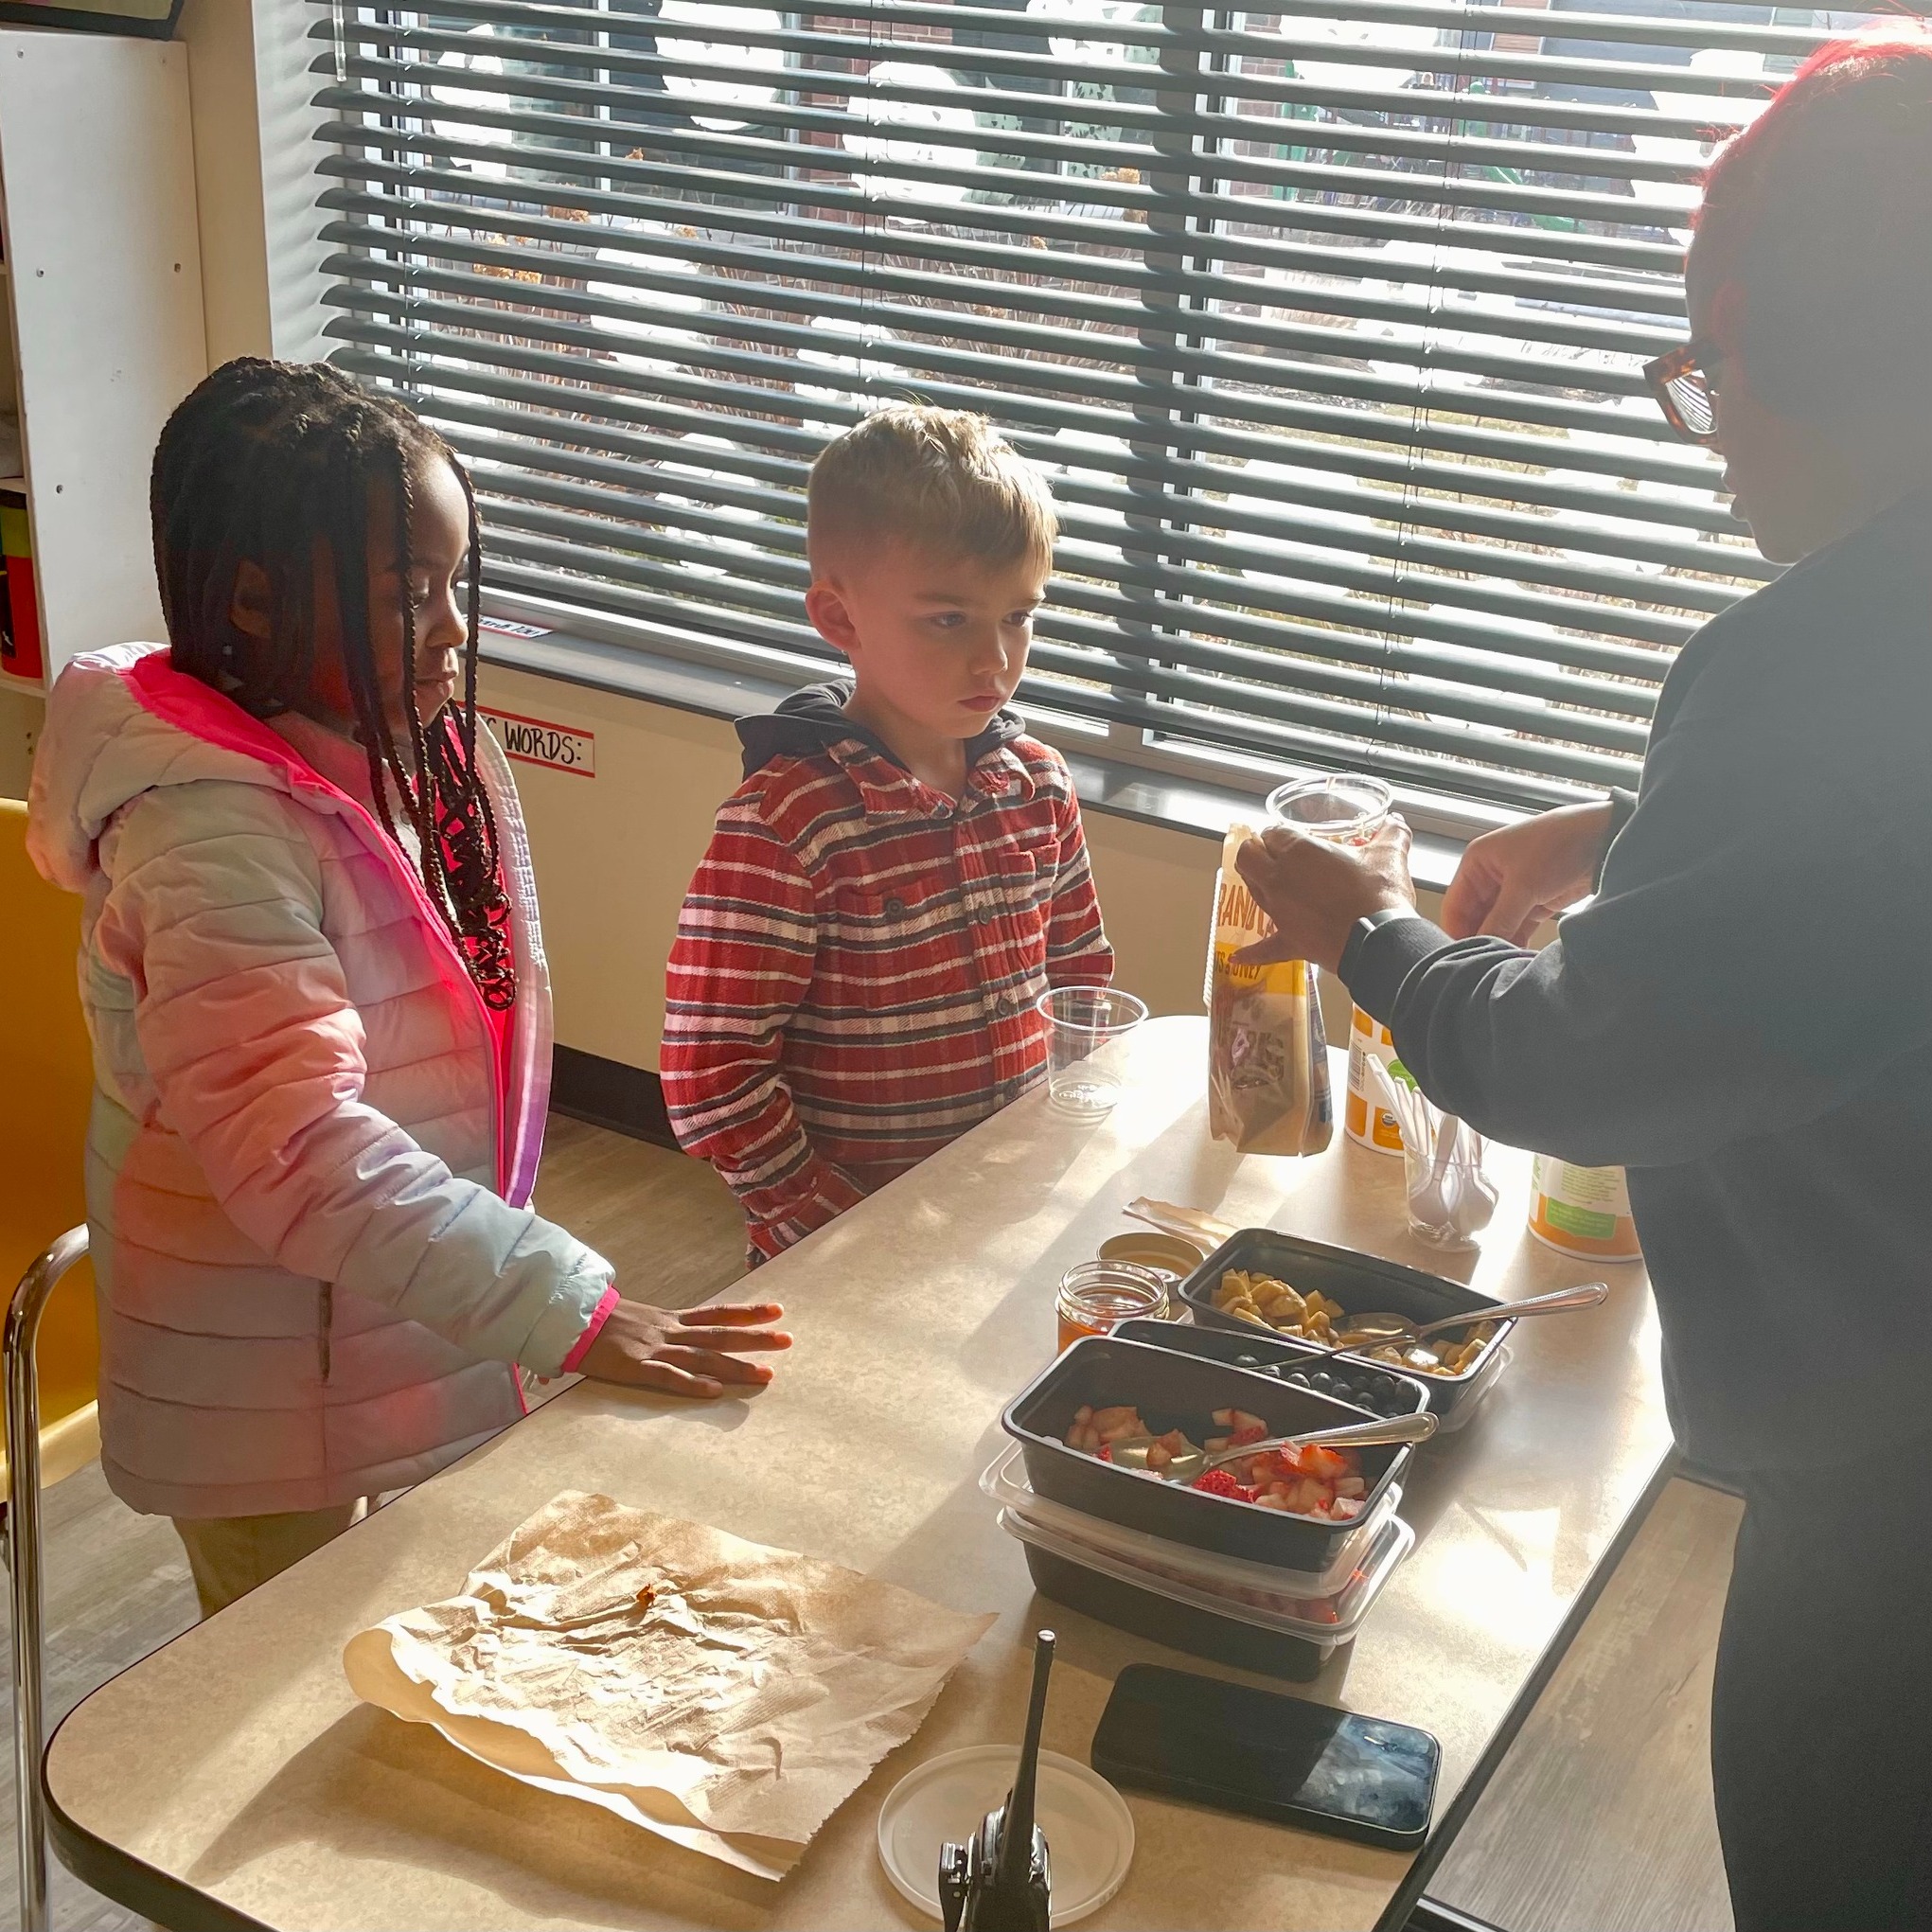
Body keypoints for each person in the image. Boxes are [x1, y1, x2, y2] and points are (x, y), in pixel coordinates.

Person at [1232, 34, 1932, 1932]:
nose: (1709, 445)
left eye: (1706, 374)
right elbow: (1868, 873)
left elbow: (1570, 1062)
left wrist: (1365, 923)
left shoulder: (1808, 661)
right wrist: (1634, 830)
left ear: (1798, 352)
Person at [27, 360, 790, 1617]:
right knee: (272, 1702)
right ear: (257, 601)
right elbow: (300, 1152)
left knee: (396, 1647)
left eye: (453, 582)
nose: (450, 628)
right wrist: (572, 1306)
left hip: (375, 1319)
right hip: (257, 1390)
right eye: (406, 592)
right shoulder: (204, 840)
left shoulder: (418, 753)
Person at [663, 404, 1115, 1261]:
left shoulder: (1038, 786)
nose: (994, 659)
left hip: (1009, 1217)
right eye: (948, 619)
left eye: (1017, 617)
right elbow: (713, 1073)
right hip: (844, 1242)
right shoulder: (787, 821)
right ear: (839, 620)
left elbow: (1080, 978)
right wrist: (836, 1225)